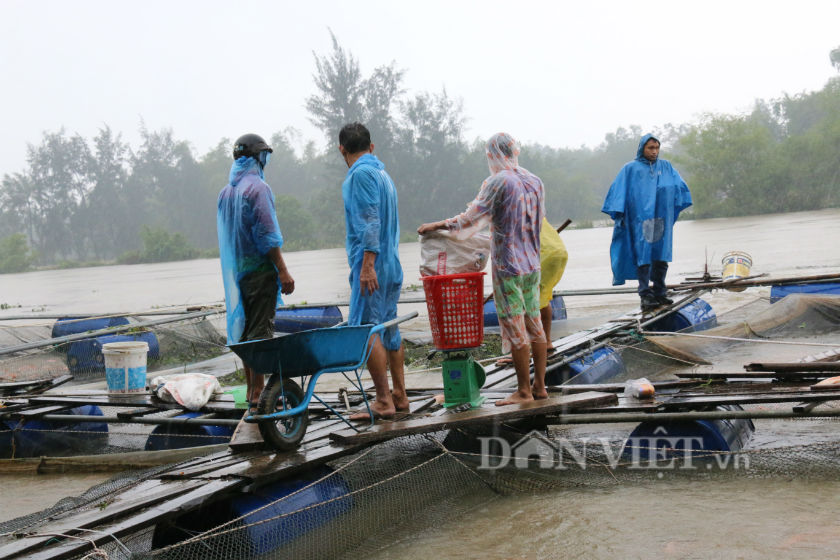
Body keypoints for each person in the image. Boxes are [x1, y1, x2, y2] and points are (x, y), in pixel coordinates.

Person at [419, 132, 547, 406]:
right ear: (514, 151)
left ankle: (523, 391)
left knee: (515, 325)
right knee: (534, 321)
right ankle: (540, 387)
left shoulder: (498, 182)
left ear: (491, 155)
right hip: (532, 263)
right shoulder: (534, 181)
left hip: (509, 264)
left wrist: (436, 225)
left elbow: (469, 219)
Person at [217, 133, 295, 411]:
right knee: (260, 332)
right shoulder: (258, 188)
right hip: (261, 272)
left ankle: (252, 388)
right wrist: (283, 271)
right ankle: (259, 392)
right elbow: (268, 235)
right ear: (256, 158)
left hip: (239, 273)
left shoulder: (227, 191)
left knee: (245, 330)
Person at [338, 122, 408, 420]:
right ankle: (400, 395)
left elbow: (370, 222)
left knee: (368, 329)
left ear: (342, 150)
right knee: (389, 327)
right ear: (372, 146)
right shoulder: (382, 173)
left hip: (374, 266)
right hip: (390, 262)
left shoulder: (359, 175)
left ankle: (383, 400)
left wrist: (366, 266)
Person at [602, 134, 692, 312]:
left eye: (657, 148)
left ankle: (660, 291)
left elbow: (680, 188)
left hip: (661, 219)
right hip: (640, 220)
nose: (654, 152)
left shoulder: (666, 167)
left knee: (661, 255)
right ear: (642, 148)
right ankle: (645, 295)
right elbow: (617, 192)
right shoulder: (630, 169)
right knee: (643, 256)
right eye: (650, 148)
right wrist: (622, 215)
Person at [538, 217, 568, 353]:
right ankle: (547, 342)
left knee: (522, 301)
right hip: (557, 252)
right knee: (543, 296)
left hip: (543, 254)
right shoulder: (533, 205)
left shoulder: (511, 209)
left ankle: (523, 349)